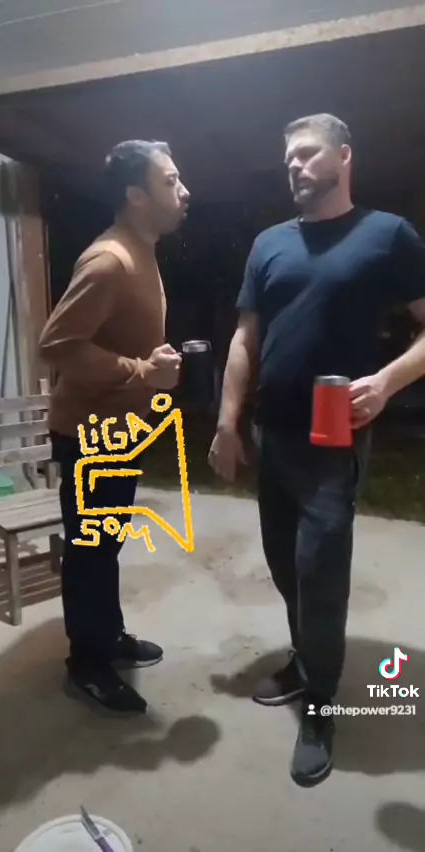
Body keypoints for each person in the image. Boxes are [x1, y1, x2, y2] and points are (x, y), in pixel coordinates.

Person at [208, 114, 425, 787]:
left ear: (344, 156)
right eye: (288, 159)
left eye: (307, 154)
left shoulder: (386, 235)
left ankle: (323, 706)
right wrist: (227, 422)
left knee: (320, 577)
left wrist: (386, 382)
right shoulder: (270, 244)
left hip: (335, 442)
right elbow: (245, 339)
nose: (295, 167)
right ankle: (306, 661)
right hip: (273, 436)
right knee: (285, 568)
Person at [39, 140, 190, 714]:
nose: (184, 192)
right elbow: (57, 344)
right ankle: (87, 663)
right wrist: (141, 371)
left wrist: (152, 370)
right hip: (88, 435)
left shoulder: (141, 250)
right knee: (90, 548)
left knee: (107, 543)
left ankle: (108, 635)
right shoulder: (110, 261)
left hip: (118, 431)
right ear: (136, 196)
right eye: (170, 181)